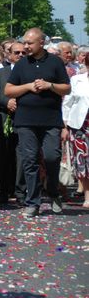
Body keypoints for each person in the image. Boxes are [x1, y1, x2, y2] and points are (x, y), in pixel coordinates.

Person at [5, 28, 71, 217]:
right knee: (30, 160)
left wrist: (49, 85)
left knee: (52, 157)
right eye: (24, 42)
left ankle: (53, 192)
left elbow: (66, 88)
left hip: (50, 120)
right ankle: (32, 202)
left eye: (29, 43)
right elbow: (8, 91)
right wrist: (28, 86)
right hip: (25, 120)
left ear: (41, 43)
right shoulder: (21, 64)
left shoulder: (55, 62)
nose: (25, 46)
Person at [0, 41, 27, 204]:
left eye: (23, 53)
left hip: (24, 121)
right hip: (4, 119)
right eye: (16, 53)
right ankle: (4, 190)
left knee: (21, 158)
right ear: (9, 55)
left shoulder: (31, 73)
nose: (20, 55)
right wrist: (7, 102)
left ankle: (20, 192)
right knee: (4, 158)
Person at [62, 52, 89, 207]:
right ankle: (87, 195)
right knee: (83, 161)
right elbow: (67, 103)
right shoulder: (77, 80)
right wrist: (64, 126)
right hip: (80, 126)